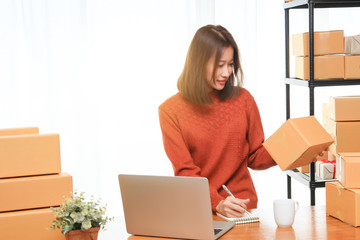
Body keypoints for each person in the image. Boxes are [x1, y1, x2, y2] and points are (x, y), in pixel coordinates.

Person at [158, 24, 276, 218]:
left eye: (230, 64)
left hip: (241, 209)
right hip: (199, 210)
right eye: (220, 65)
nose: (227, 72)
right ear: (198, 63)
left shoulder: (243, 99)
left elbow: (255, 156)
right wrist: (218, 203)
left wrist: (295, 150)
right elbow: (185, 172)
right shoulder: (170, 111)